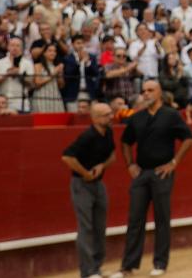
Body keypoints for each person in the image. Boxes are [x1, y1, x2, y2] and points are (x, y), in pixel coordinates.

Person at [111, 80, 192, 278]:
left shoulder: (171, 115)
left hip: (161, 172)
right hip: (141, 174)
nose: (146, 94)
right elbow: (125, 142)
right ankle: (128, 266)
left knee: (162, 219)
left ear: (159, 93)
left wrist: (174, 163)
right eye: (144, 91)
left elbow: (189, 138)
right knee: (135, 220)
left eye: (150, 91)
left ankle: (160, 263)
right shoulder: (137, 117)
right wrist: (130, 164)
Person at [61, 102, 116, 278]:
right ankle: (88, 271)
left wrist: (102, 165)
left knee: (99, 227)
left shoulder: (108, 132)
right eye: (107, 115)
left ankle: (97, 268)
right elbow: (67, 157)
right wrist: (85, 173)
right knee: (86, 227)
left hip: (98, 184)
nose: (111, 117)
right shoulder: (88, 136)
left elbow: (112, 157)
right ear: (95, 118)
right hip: (81, 185)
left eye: (110, 113)